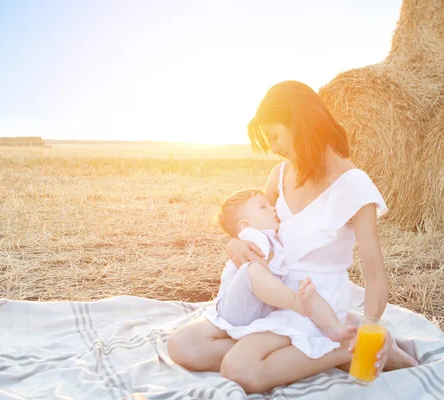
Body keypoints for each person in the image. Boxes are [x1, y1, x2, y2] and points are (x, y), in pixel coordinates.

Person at [167, 80, 418, 394]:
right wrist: (235, 241)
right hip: (273, 294)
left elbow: (375, 275)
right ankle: (315, 352)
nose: (273, 148)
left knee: (240, 367)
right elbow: (257, 227)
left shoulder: (353, 185)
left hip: (318, 302)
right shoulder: (280, 175)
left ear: (299, 123)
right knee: (183, 345)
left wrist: (370, 324)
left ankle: (351, 345)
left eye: (274, 135)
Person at [206, 187, 357, 344]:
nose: (273, 209)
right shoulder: (251, 236)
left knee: (304, 288)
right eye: (263, 207)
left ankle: (333, 327)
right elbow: (257, 263)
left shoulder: (271, 237)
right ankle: (296, 302)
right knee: (253, 269)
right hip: (233, 308)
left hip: (259, 310)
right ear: (245, 224)